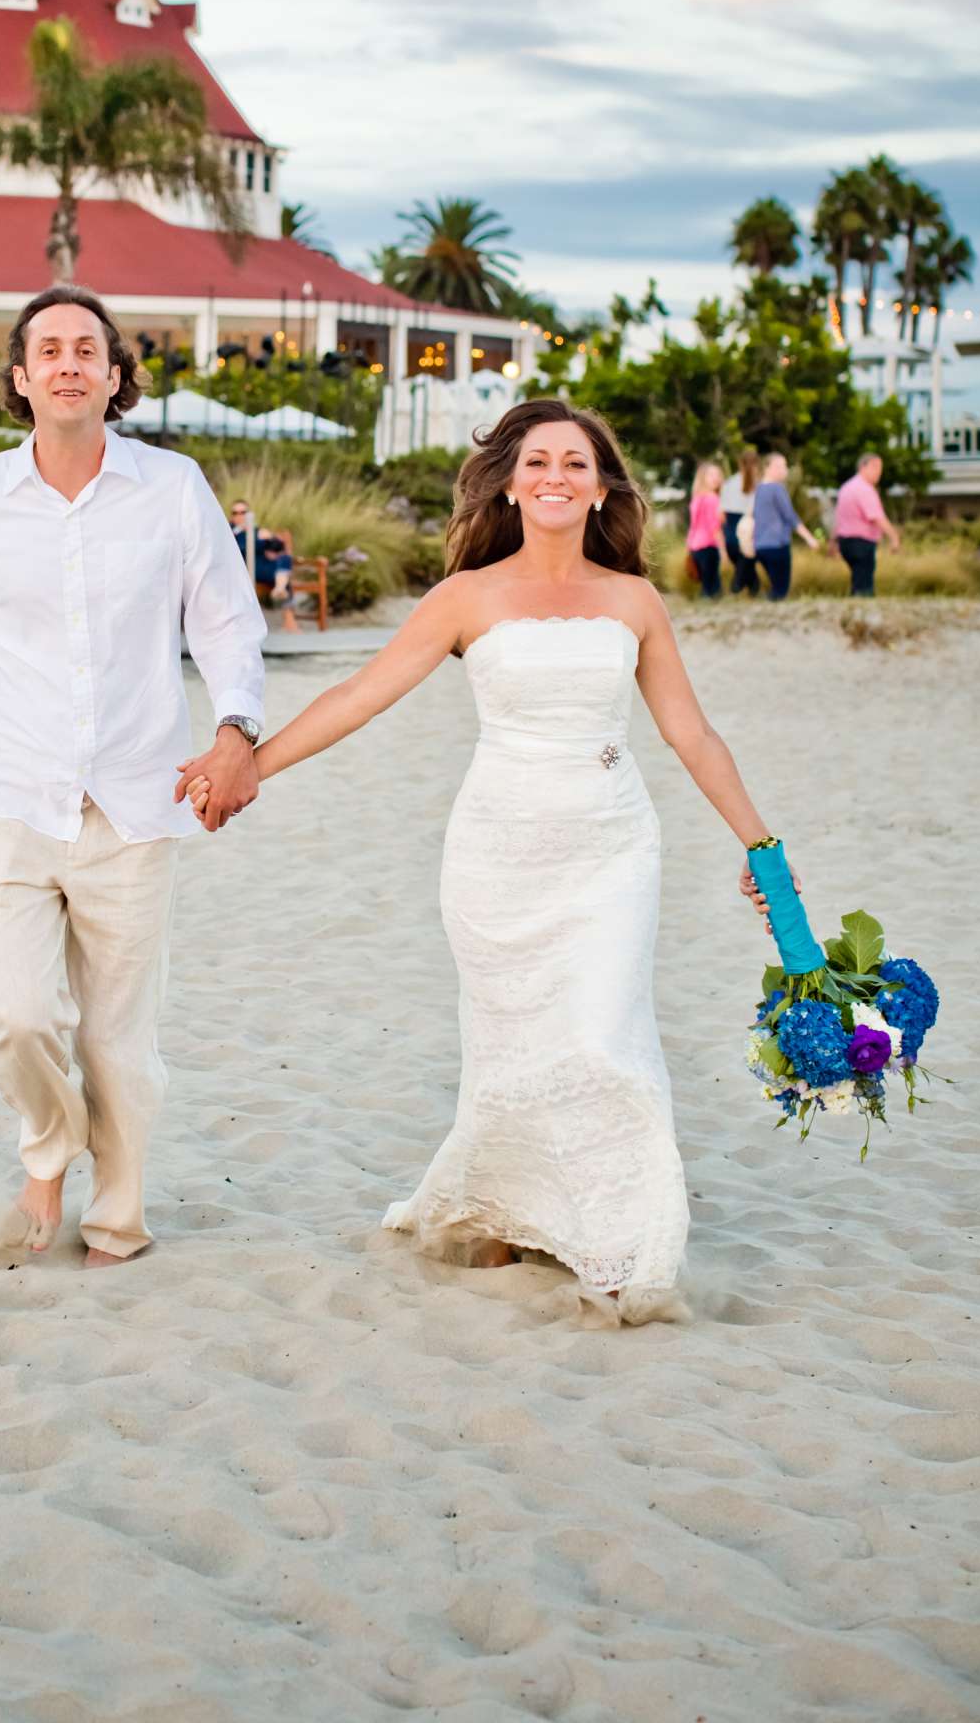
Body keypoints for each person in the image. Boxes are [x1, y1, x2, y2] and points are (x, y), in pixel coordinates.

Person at [177, 399, 790, 1322]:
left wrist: (762, 848)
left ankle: (622, 1247)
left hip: (613, 850)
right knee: (512, 1050)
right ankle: (508, 1211)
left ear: (601, 489)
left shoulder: (633, 600)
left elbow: (692, 736)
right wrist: (252, 766)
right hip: (497, 854)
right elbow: (359, 695)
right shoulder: (465, 598)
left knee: (602, 1040)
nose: (555, 476)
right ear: (508, 482)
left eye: (575, 464)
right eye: (537, 461)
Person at [0, 287, 266, 1270]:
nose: (66, 362)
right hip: (10, 799)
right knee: (17, 1018)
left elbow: (224, 623)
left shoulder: (172, 488)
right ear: (20, 377)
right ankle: (49, 1151)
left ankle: (116, 1224)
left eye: (85, 350)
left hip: (137, 802)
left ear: (112, 377)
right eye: (46, 349)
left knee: (117, 1040)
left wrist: (236, 730)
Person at [830, 452, 901, 597]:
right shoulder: (865, 489)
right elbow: (876, 517)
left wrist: (833, 542)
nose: (879, 472)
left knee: (858, 579)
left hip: (845, 542)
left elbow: (838, 519)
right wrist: (894, 537)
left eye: (880, 468)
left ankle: (855, 607)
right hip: (861, 542)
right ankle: (861, 611)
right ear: (863, 467)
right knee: (864, 584)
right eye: (875, 467)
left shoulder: (846, 487)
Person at [750, 452, 818, 602]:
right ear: (767, 467)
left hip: (760, 545)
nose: (784, 470)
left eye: (785, 466)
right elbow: (790, 516)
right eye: (780, 466)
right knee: (781, 590)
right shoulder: (777, 489)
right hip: (777, 544)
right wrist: (809, 538)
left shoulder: (757, 489)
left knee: (775, 588)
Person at [228, 498, 301, 633]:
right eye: (235, 513)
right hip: (245, 570)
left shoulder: (256, 530)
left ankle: (279, 589)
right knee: (284, 575)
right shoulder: (229, 532)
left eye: (243, 512)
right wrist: (256, 539)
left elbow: (278, 547)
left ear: (248, 514)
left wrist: (270, 538)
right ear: (231, 515)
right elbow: (239, 550)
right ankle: (288, 615)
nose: (239, 516)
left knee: (284, 559)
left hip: (262, 566)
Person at [719, 446, 761, 597]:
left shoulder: (731, 483)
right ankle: (751, 584)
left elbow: (722, 510)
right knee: (745, 554)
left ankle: (740, 585)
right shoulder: (757, 484)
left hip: (737, 521)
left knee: (742, 554)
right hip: (742, 521)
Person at [686, 461, 724, 598]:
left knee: (707, 583)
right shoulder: (713, 499)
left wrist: (689, 545)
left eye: (718, 475)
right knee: (712, 586)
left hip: (695, 546)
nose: (716, 478)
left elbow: (692, 525)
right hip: (709, 546)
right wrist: (723, 550)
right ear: (702, 478)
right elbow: (715, 527)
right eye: (711, 475)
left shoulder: (696, 498)